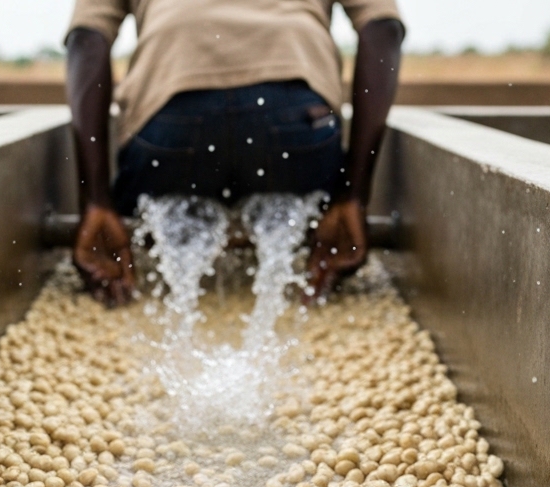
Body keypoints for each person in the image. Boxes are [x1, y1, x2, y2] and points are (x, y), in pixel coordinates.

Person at [65, 0, 404, 306]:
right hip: (295, 118)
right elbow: (382, 27)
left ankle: (174, 260)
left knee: (155, 191)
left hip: (170, 117)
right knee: (298, 174)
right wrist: (353, 196)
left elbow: (86, 38)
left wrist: (95, 200)